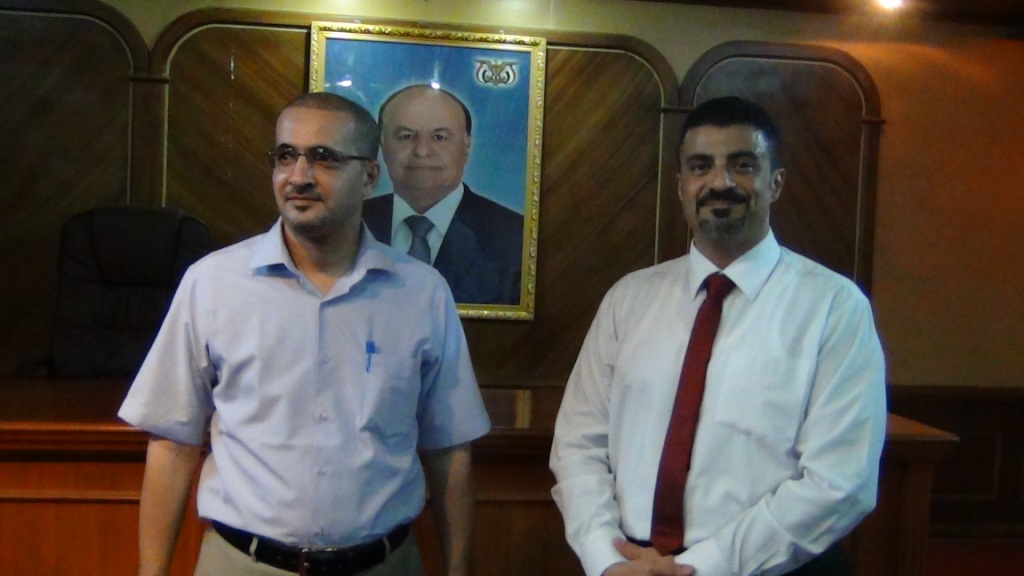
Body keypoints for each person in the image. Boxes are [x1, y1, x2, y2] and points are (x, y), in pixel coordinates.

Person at [119, 92, 491, 576]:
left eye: (323, 157)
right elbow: (173, 442)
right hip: (242, 564)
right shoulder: (212, 284)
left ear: (370, 177)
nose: (298, 176)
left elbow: (449, 451)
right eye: (285, 155)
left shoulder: (422, 294)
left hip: (383, 565)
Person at [549, 96, 886, 576]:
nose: (720, 182)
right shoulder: (628, 299)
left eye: (742, 165)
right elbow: (578, 443)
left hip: (771, 568)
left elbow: (840, 481)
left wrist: (700, 567)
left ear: (776, 182)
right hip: (631, 567)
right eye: (701, 166)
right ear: (681, 186)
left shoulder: (834, 308)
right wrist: (605, 556)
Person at [362, 84, 523, 306]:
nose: (422, 151)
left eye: (439, 137)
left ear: (466, 146)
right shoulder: (351, 222)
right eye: (406, 136)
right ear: (382, 146)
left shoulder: (515, 237)